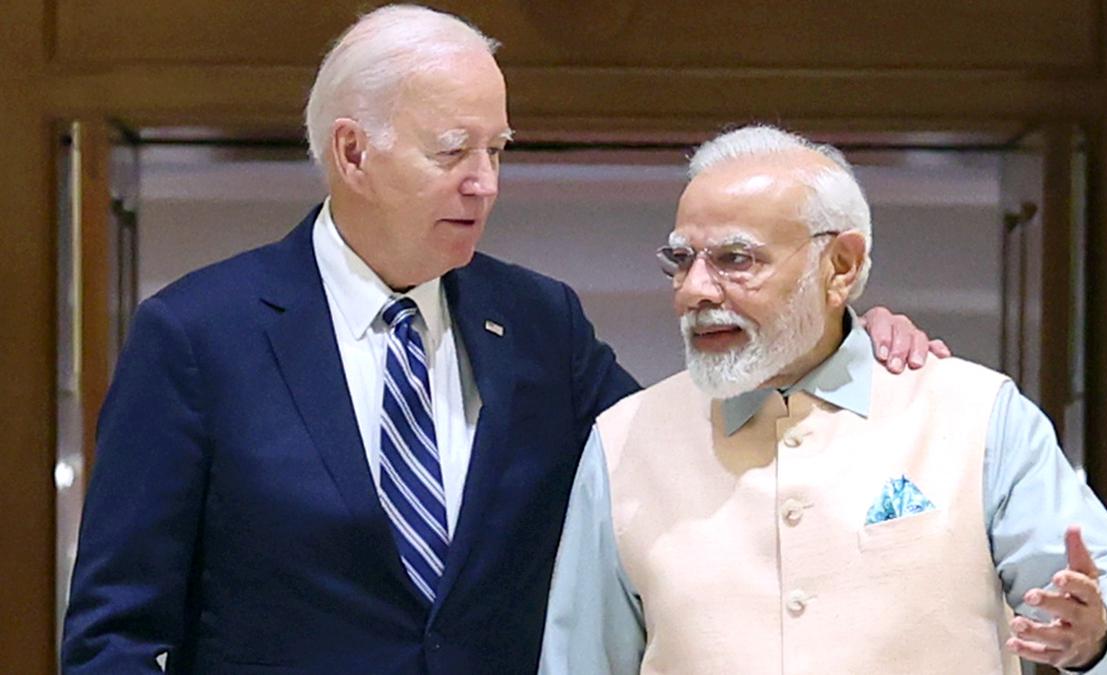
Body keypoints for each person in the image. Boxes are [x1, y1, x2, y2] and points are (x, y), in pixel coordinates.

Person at [60, 7, 939, 674]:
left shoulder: (539, 323)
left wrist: (835, 340)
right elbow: (115, 633)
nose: (486, 183)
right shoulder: (197, 335)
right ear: (353, 152)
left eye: (498, 149)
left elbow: (695, 448)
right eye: (454, 153)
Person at [539, 125, 1107, 675]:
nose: (695, 290)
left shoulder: (972, 412)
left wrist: (1098, 633)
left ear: (841, 266)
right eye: (681, 260)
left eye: (736, 259)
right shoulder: (623, 440)